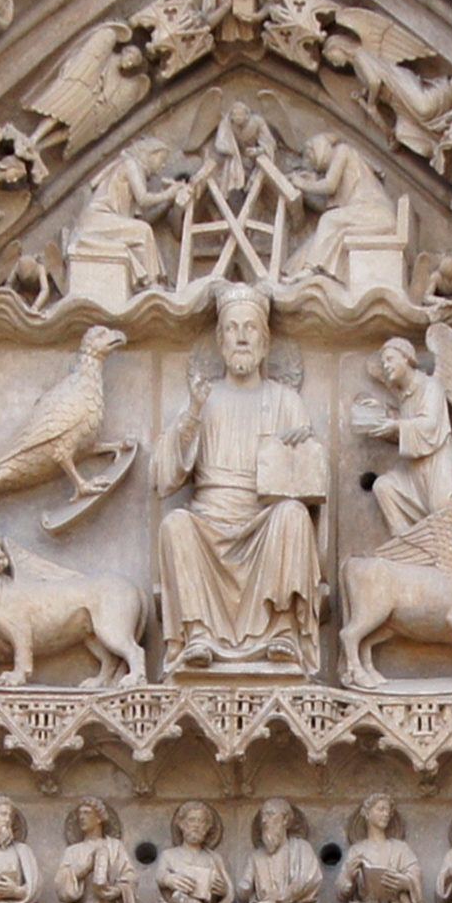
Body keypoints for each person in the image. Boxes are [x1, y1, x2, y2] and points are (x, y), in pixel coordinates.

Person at [153, 285, 324, 670]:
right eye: (232, 328)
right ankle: (197, 635)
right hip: (209, 519)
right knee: (176, 525)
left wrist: (301, 447)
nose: (241, 336)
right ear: (220, 342)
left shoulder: (286, 401)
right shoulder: (203, 398)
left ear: (264, 344)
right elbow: (166, 478)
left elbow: (310, 482)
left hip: (262, 520)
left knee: (293, 515)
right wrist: (192, 415)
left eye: (250, 328)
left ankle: (281, 631)